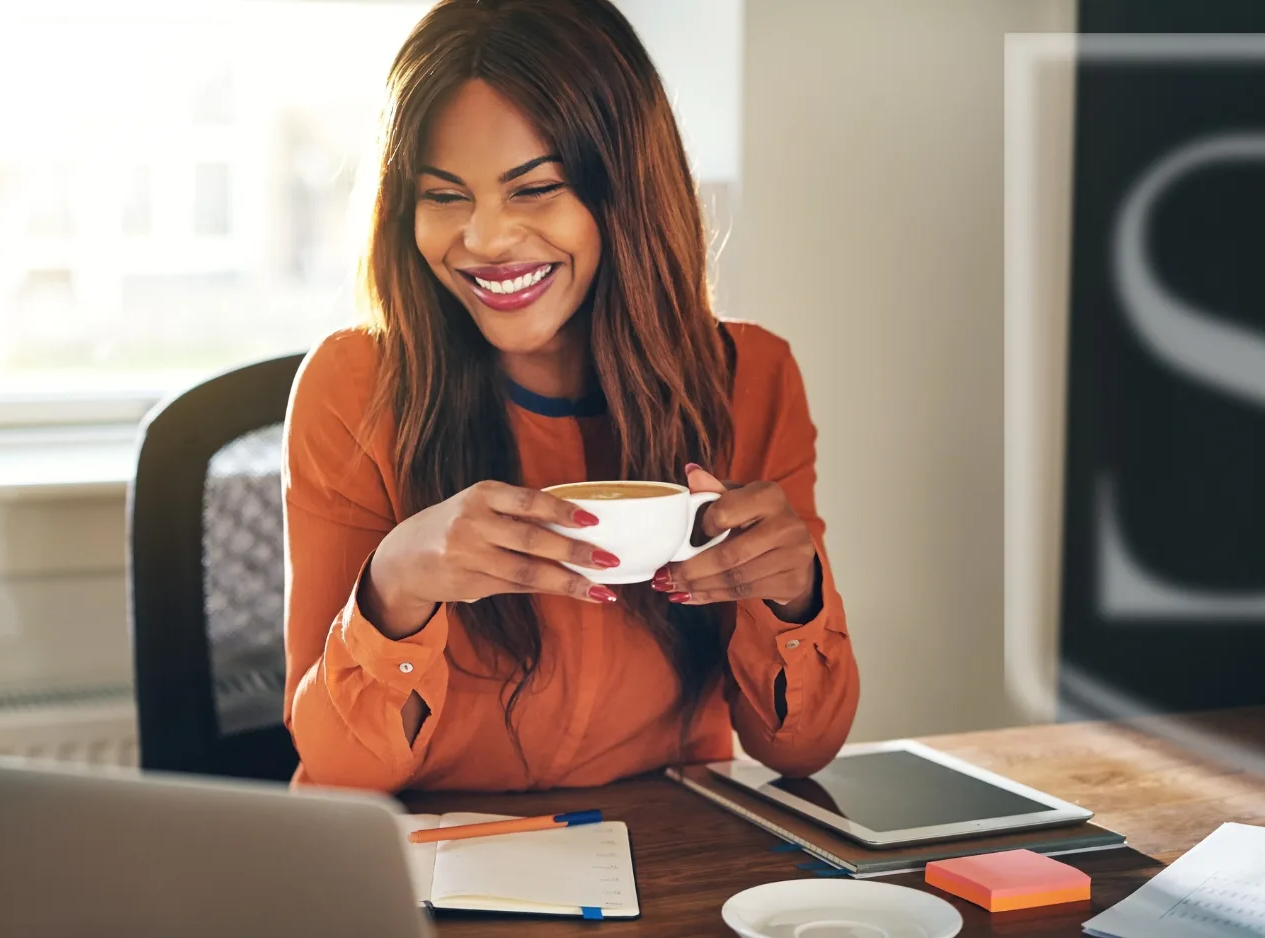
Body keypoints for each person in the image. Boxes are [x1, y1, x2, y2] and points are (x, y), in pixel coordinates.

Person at [283, 0, 859, 794]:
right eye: (444, 196)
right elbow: (342, 774)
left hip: (663, 868)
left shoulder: (748, 377)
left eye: (535, 189)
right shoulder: (351, 389)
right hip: (434, 878)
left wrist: (794, 596)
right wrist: (398, 584)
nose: (483, 240)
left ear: (624, 191)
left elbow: (802, 750)